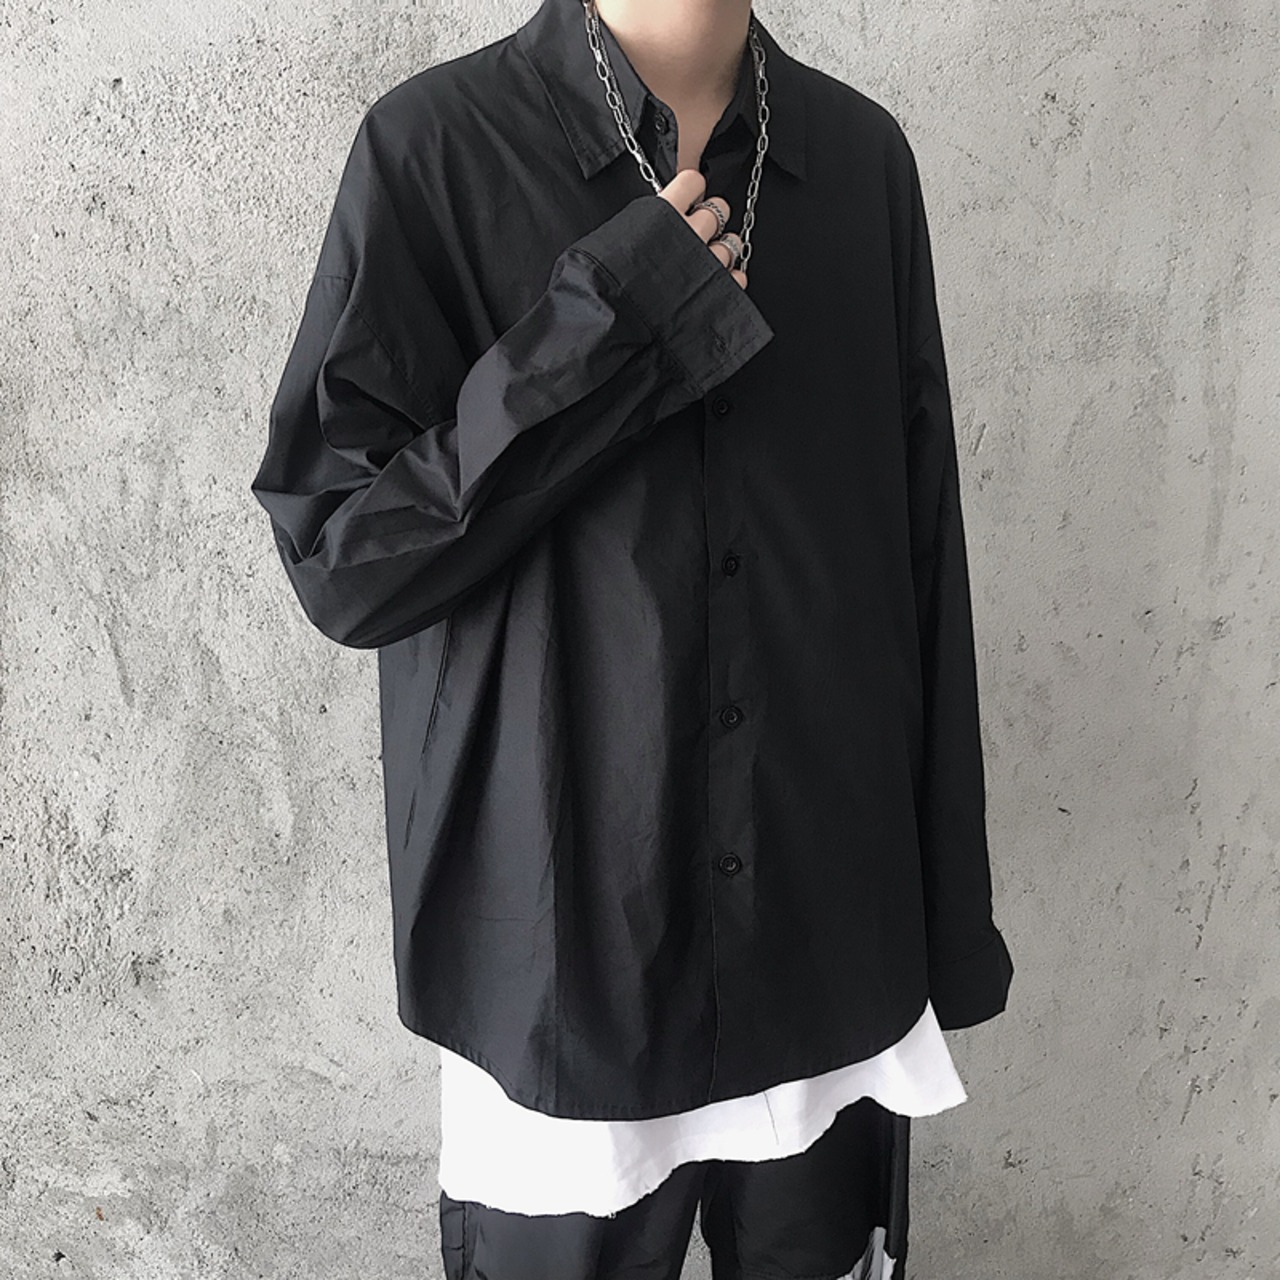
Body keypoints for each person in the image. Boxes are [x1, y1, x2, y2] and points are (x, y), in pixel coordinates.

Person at [250, 0, 1015, 1275]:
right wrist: (604, 326)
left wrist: (943, 921)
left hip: (826, 930)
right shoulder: (437, 148)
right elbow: (344, 559)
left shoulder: (859, 160)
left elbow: (917, 551)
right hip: (564, 954)